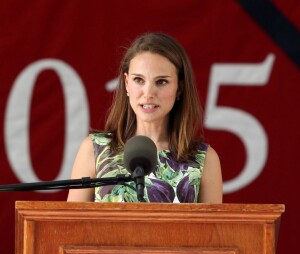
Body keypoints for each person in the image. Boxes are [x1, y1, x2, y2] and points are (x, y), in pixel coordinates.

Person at [67, 32, 222, 203]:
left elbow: (213, 229)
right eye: (139, 80)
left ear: (179, 87)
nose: (148, 94)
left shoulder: (205, 160)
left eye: (161, 81)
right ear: (126, 83)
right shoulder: (94, 150)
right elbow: (71, 227)